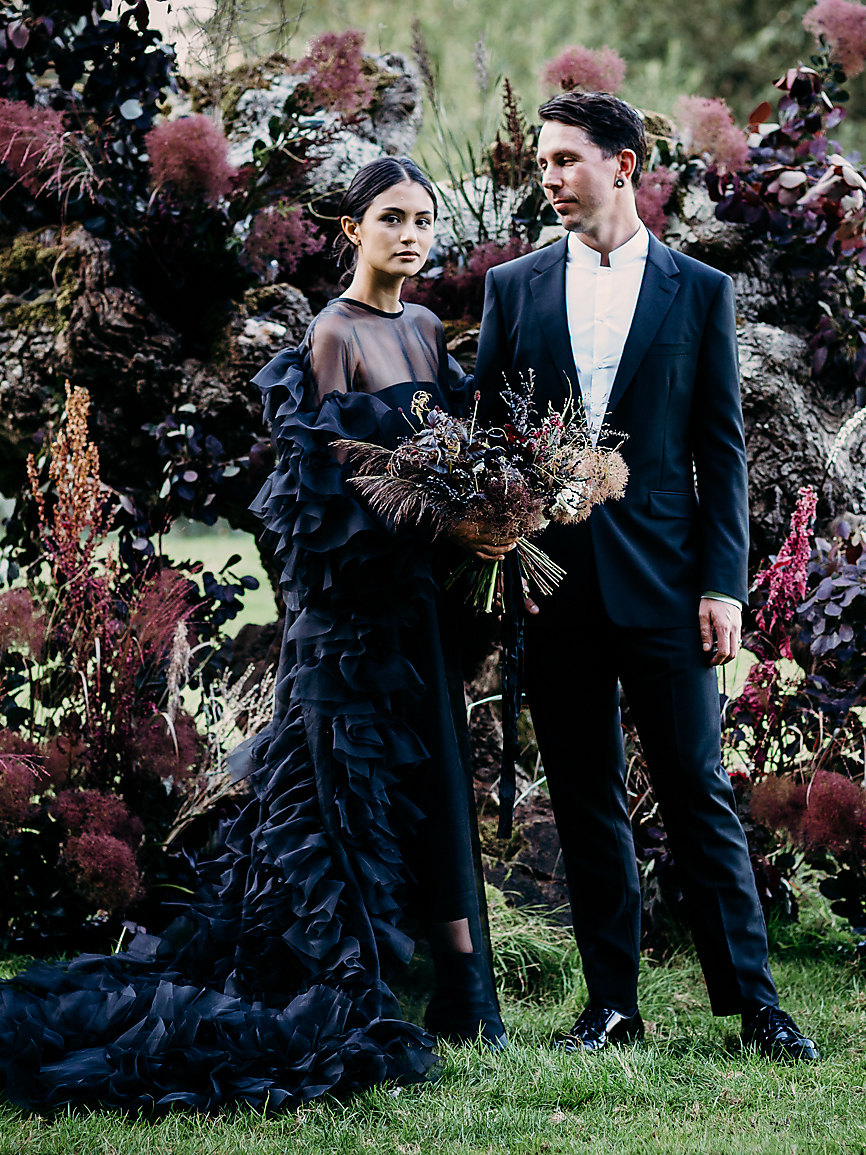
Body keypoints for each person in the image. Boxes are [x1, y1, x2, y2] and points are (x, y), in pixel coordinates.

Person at [0, 156, 507, 1116]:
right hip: (343, 615)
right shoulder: (331, 337)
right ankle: (351, 985)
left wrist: (489, 514)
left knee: (438, 776)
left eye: (424, 219)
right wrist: (418, 521)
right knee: (339, 797)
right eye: (391, 218)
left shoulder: (432, 329)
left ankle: (464, 990)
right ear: (351, 229)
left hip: (414, 608)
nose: (411, 234)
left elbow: (452, 463)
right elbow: (316, 500)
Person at [473, 91, 818, 1061]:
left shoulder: (698, 292)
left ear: (623, 165)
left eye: (566, 159)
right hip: (553, 591)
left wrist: (723, 586)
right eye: (542, 161)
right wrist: (502, 537)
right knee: (583, 800)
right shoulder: (515, 288)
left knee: (696, 795)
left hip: (669, 591)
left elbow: (721, 452)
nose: (548, 176)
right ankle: (610, 1004)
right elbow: (492, 438)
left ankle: (754, 1005)